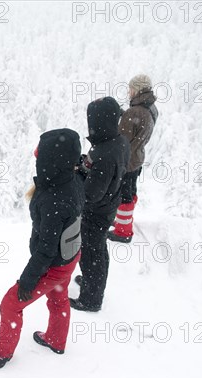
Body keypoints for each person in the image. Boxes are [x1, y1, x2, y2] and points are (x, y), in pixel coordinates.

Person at [0, 129, 85, 369]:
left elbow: (45, 249)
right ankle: (56, 339)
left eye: (39, 155)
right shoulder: (73, 180)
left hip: (54, 263)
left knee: (11, 303)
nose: (36, 157)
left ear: (51, 161)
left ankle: (3, 353)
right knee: (59, 296)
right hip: (70, 255)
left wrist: (28, 281)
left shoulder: (54, 199)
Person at [70, 97, 130, 312]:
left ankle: (91, 299)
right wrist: (87, 165)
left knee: (91, 254)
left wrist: (78, 178)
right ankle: (91, 284)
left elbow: (92, 194)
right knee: (98, 251)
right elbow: (112, 173)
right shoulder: (118, 141)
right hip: (109, 205)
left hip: (96, 212)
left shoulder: (105, 152)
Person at [108, 74, 159, 243]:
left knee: (124, 196)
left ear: (137, 89)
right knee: (130, 192)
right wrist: (126, 115)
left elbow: (121, 139)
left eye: (130, 88)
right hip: (137, 157)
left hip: (127, 161)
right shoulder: (150, 108)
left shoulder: (134, 112)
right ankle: (125, 221)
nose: (128, 92)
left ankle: (123, 231)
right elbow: (139, 127)